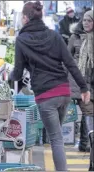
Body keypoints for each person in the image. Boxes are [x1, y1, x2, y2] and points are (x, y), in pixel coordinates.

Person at [11, 1, 90, 171]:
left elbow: (17, 73)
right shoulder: (54, 36)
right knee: (57, 136)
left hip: (46, 96)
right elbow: (70, 63)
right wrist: (84, 88)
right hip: (63, 92)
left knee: (55, 138)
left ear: (25, 18)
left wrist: (12, 77)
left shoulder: (22, 40)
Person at [68, 9, 93, 152]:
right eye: (84, 20)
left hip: (91, 80)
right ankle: (86, 143)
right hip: (78, 80)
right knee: (87, 110)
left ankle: (85, 143)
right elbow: (66, 58)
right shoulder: (75, 37)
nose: (86, 23)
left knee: (88, 112)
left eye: (89, 20)